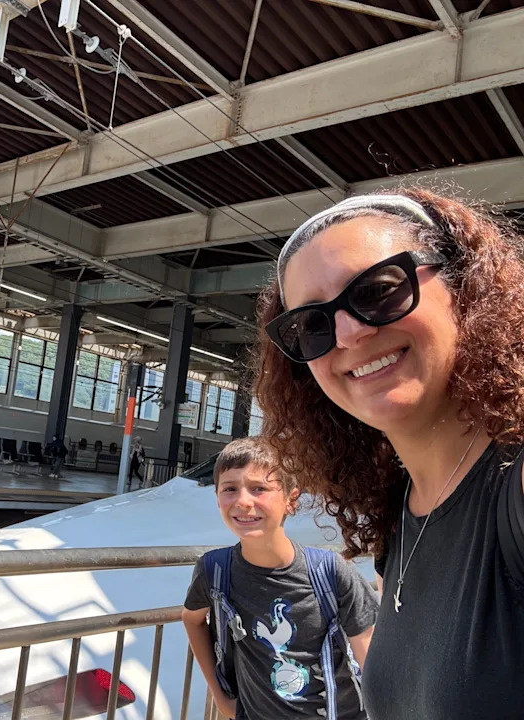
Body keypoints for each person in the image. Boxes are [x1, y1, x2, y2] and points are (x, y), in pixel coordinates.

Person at [253, 189, 524, 720]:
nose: (350, 334)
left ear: (465, 289)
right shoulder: (401, 515)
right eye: (312, 325)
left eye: (378, 290)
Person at [183, 437, 377, 720]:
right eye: (230, 489)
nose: (243, 501)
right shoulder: (214, 570)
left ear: (291, 500)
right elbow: (191, 619)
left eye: (259, 488)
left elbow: (369, 658)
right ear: (217, 499)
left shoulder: (330, 573)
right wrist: (221, 697)